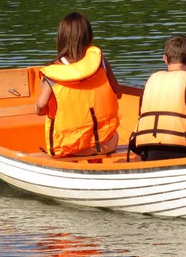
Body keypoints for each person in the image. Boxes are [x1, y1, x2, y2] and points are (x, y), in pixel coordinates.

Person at [35, 12, 122, 158]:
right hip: (106, 144)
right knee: (114, 134)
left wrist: (37, 108)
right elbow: (118, 92)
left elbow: (41, 107)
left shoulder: (54, 72)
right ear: (89, 35)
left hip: (70, 149)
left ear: (61, 38)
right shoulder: (100, 62)